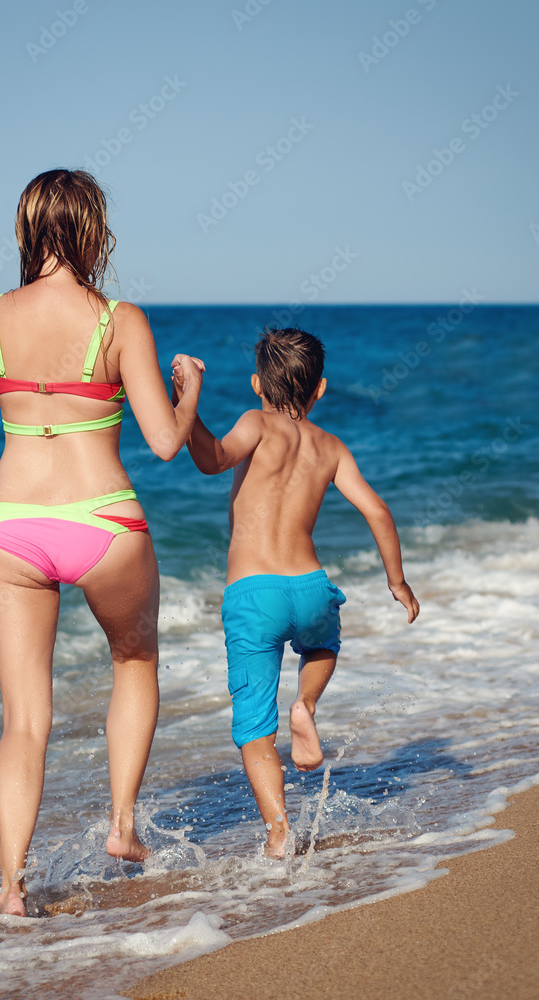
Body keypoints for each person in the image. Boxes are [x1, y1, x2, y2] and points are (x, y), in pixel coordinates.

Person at [0, 169, 204, 916]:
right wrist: (190, 389)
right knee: (134, 658)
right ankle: (121, 825)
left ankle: (11, 886)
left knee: (24, 721)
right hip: (105, 521)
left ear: (25, 230)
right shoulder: (121, 321)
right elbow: (167, 443)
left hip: (10, 527)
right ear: (93, 232)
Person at [173, 327, 418, 858]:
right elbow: (377, 509)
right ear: (321, 390)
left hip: (252, 593)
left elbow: (212, 458)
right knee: (323, 647)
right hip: (309, 587)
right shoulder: (331, 447)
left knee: (255, 725)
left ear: (257, 383)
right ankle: (305, 704)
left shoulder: (256, 424)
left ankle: (279, 829)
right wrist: (396, 580)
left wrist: (187, 407)